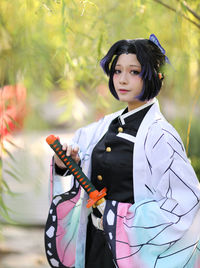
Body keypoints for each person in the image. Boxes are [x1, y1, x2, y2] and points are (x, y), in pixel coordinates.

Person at [45, 35, 200, 268]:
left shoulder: (161, 136)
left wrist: (120, 216)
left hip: (132, 254)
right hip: (94, 244)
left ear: (154, 76)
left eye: (134, 72)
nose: (122, 80)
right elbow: (76, 168)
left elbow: (184, 204)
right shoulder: (102, 126)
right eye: (117, 71)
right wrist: (64, 164)